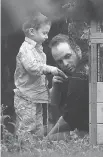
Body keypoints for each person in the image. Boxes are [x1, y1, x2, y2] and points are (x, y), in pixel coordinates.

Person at [14, 14, 67, 137]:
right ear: (32, 32)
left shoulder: (38, 49)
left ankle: (35, 151)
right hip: (26, 97)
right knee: (27, 127)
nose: (47, 36)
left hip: (36, 96)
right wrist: (50, 69)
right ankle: (23, 151)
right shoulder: (26, 49)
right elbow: (32, 67)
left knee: (38, 127)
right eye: (44, 33)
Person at [47, 34, 89, 140]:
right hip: (83, 125)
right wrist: (55, 88)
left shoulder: (81, 72)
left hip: (91, 131)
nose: (65, 64)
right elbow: (53, 105)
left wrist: (47, 138)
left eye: (67, 56)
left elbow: (69, 118)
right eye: (60, 61)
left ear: (77, 50)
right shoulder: (67, 73)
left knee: (50, 139)